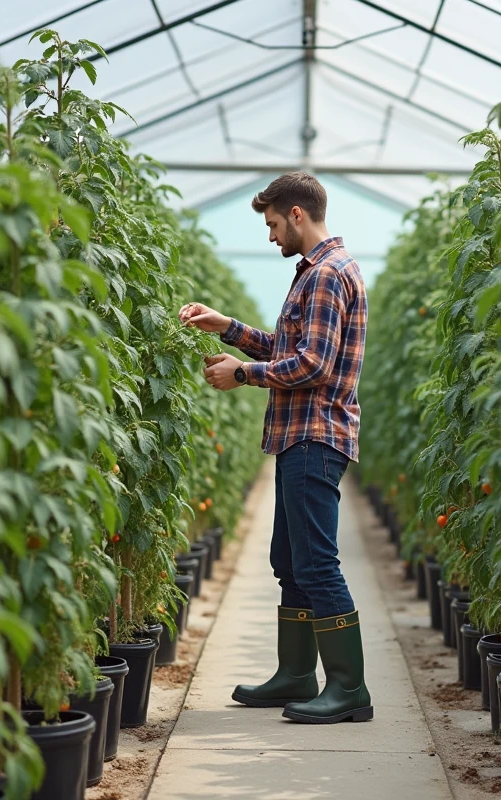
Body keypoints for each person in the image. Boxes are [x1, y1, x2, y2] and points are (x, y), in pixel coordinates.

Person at [178, 172, 372, 725]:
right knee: (289, 560)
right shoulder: (314, 274)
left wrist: (243, 374)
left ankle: (349, 688)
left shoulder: (330, 275)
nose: (270, 237)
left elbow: (313, 365)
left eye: (271, 224)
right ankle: (295, 675)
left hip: (316, 435)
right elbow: (290, 346)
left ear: (296, 214)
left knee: (316, 563)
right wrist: (230, 329)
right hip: (297, 436)